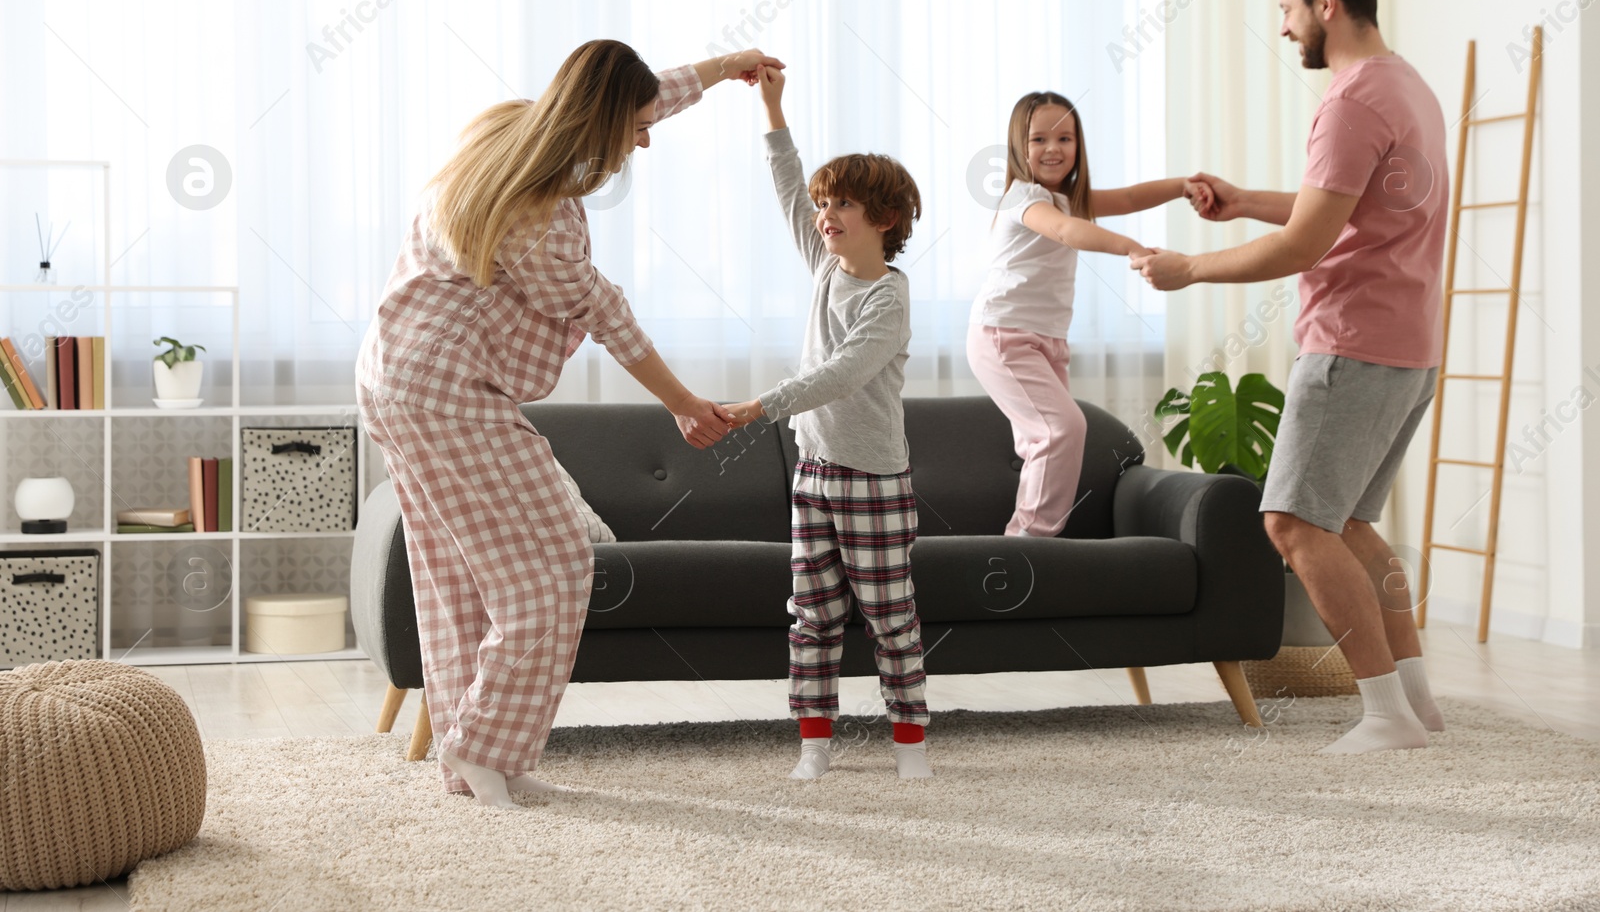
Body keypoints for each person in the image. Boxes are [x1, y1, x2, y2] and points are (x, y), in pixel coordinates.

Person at [357, 40, 783, 806]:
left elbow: (646, 94)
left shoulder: (509, 135)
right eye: (638, 127)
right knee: (556, 561)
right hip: (445, 392)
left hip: (391, 377)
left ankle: (475, 759)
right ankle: (486, 746)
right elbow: (608, 315)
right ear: (603, 122)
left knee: (455, 577)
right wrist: (687, 403)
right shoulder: (541, 222)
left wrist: (725, 69)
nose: (646, 140)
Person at [1133, 0, 1448, 754]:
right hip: (1409, 344)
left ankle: (1384, 716)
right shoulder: (1407, 87)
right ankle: (1416, 700)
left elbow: (1306, 246)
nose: (1283, 28)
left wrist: (1189, 268)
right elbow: (1341, 207)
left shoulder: (1348, 102)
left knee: (1294, 522)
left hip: (1351, 342)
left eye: (1286, 9)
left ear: (1326, 4)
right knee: (1344, 521)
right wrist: (1242, 203)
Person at [722, 65, 932, 780]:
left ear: (885, 219)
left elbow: (843, 372)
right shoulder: (823, 263)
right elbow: (788, 187)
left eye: (842, 203)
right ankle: (814, 743)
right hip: (813, 472)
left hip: (873, 478)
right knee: (811, 615)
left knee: (889, 619)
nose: (825, 213)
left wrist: (761, 405)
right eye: (824, 202)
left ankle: (910, 746)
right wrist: (773, 110)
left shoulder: (888, 300)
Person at [967, 90, 1211, 536]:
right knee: (1061, 429)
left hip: (1047, 339)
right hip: (1003, 334)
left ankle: (1033, 533)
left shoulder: (1069, 197)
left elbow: (1133, 196)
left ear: (1079, 145)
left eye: (1065, 138)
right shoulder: (1025, 198)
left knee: (1046, 438)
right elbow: (1065, 232)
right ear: (1019, 149)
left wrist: (1182, 186)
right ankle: (1029, 541)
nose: (1053, 149)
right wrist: (1132, 247)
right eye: (1038, 139)